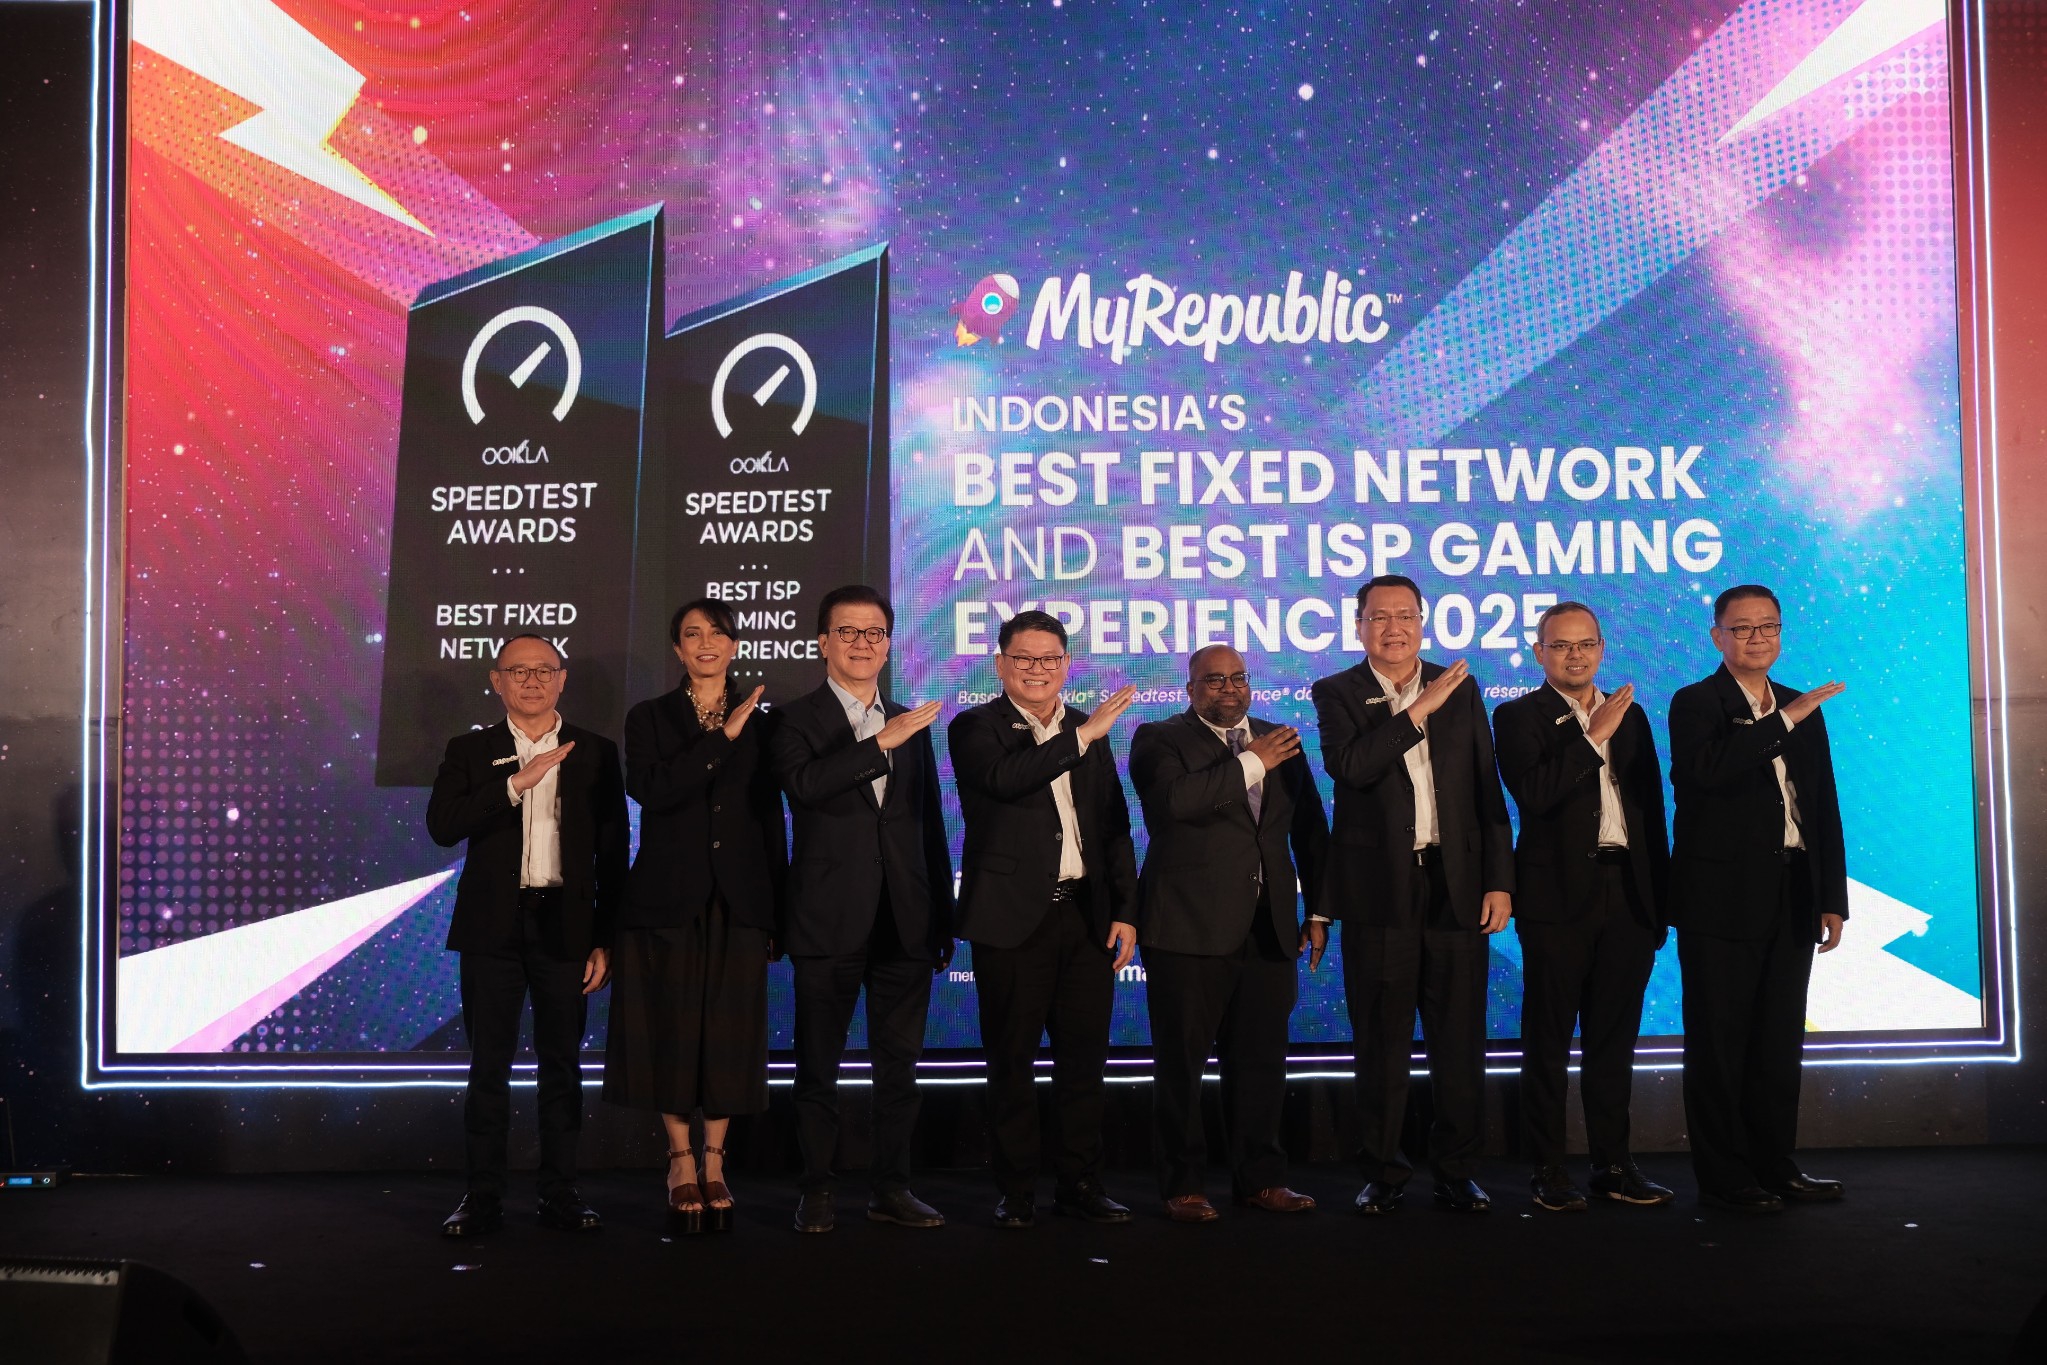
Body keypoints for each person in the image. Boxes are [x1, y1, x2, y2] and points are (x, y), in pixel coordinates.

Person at [1308, 574, 1514, 1215]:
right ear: (1359, 626)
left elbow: (1486, 787)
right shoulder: (1337, 691)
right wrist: (1416, 712)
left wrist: (1499, 880)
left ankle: (1457, 1169)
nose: (1392, 628)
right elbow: (1351, 767)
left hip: (1457, 885)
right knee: (1381, 1039)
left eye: (1404, 616)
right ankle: (1384, 1171)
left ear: (1422, 622)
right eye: (1378, 617)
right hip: (1378, 891)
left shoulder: (1461, 687)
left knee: (1459, 1037)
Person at [767, 585, 956, 1233]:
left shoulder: (908, 719)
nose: (862, 643)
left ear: (888, 644)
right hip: (827, 918)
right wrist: (879, 743)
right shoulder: (793, 719)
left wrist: (941, 914)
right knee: (818, 1066)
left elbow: (926, 822)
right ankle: (816, 1190)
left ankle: (891, 1188)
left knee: (898, 1068)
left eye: (874, 632)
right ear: (823, 643)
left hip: (905, 918)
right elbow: (804, 787)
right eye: (847, 631)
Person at [426, 633, 627, 1237]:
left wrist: (606, 938)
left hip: (566, 927)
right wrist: (516, 784)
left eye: (544, 670)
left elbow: (613, 852)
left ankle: (560, 1192)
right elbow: (443, 825)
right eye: (519, 671)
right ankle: (482, 1196)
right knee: (488, 1066)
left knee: (562, 1065)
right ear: (497, 681)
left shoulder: (596, 752)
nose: (532, 681)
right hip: (493, 928)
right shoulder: (471, 749)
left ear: (562, 679)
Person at [949, 610, 1140, 1228]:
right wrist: (1080, 739)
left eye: (1049, 658)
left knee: (1084, 1062)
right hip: (1011, 922)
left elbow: (1112, 825)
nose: (1037, 669)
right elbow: (1006, 779)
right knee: (1012, 1060)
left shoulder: (1087, 728)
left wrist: (1125, 910)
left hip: (1085, 918)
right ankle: (1017, 1189)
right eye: (1024, 658)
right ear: (1000, 663)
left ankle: (1081, 1182)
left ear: (1066, 664)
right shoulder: (975, 727)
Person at [603, 600, 783, 1235]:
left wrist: (775, 910)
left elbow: (769, 820)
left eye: (717, 633)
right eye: (692, 634)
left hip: (740, 899)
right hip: (666, 896)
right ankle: (680, 1160)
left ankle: (715, 1160)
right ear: (677, 650)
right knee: (672, 1030)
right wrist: (721, 738)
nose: (706, 642)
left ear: (734, 645)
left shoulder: (766, 724)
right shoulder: (650, 717)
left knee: (730, 1034)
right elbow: (652, 789)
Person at [1130, 644, 1327, 1222]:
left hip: (1269, 929)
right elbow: (1175, 803)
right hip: (1187, 928)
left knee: (1262, 1063)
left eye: (1238, 678)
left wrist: (1320, 910)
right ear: (1190, 688)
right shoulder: (1159, 738)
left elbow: (1309, 829)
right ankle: (1183, 1185)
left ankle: (1262, 1180)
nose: (1229, 688)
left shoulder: (1278, 739)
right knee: (1182, 1067)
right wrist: (1251, 762)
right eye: (1214, 680)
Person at [1669, 585, 1848, 1213]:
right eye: (1742, 628)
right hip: (1720, 901)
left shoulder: (1801, 706)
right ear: (1717, 636)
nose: (1757, 638)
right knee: (1719, 1044)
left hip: (1793, 892)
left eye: (1768, 627)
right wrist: (1783, 722)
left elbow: (1822, 805)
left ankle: (1775, 1164)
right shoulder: (1696, 702)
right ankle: (1724, 1176)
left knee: (1777, 1042)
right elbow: (1705, 773)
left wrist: (1831, 897)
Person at [1493, 601, 1673, 1212]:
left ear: (1602, 648)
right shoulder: (1517, 716)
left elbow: (1651, 812)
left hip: (1629, 894)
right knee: (1547, 1040)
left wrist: (1658, 901)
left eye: (1586, 644)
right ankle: (1547, 1168)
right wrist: (1591, 736)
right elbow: (1536, 793)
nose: (1576, 655)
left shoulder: (1631, 713)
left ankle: (1614, 1165)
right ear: (1538, 652)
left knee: (1613, 1041)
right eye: (1562, 645)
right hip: (1557, 899)